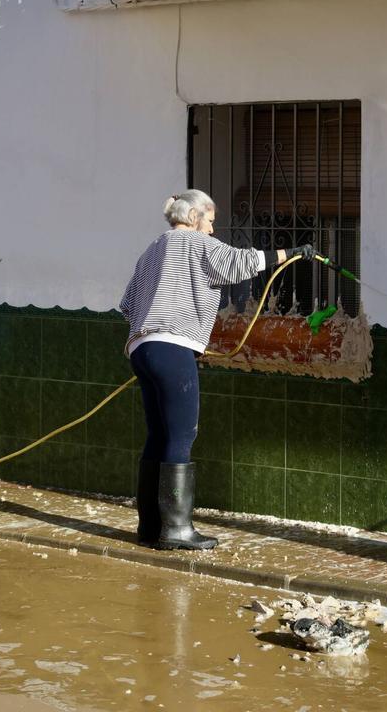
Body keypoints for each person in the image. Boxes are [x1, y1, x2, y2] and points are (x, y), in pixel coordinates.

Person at [120, 190, 313, 550]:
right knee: (181, 436)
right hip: (172, 347)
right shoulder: (195, 242)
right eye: (210, 221)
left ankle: (149, 528)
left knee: (157, 435)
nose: (211, 230)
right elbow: (241, 262)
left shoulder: (151, 250)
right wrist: (293, 253)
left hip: (141, 349)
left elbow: (127, 304)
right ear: (193, 217)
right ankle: (176, 531)